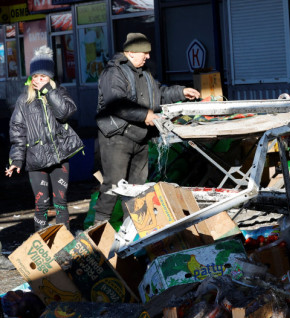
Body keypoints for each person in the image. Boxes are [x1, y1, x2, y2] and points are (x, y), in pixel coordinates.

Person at [93, 32, 200, 222]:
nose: (148, 56)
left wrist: (181, 92)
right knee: (113, 186)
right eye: (145, 52)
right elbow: (117, 103)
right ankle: (97, 234)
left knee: (137, 190)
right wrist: (145, 115)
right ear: (131, 52)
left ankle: (131, 234)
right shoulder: (113, 72)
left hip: (140, 137)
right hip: (117, 137)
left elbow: (159, 94)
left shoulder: (145, 72)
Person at [6, 46, 83, 231]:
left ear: (50, 78)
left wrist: (49, 91)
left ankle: (63, 242)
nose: (38, 80)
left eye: (43, 76)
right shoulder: (23, 101)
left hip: (59, 158)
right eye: (36, 77)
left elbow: (65, 113)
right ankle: (41, 241)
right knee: (41, 204)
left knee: (61, 203)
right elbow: (17, 131)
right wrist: (16, 159)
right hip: (36, 160)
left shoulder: (60, 93)